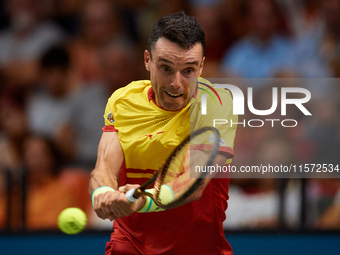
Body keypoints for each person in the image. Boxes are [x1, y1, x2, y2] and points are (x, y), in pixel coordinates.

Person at [89, 12, 237, 254]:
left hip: (197, 247)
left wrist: (144, 200)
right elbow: (104, 166)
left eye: (188, 70)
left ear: (201, 67)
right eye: (166, 68)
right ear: (147, 60)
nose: (176, 83)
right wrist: (103, 192)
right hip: (130, 243)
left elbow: (194, 181)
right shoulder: (123, 100)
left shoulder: (217, 103)